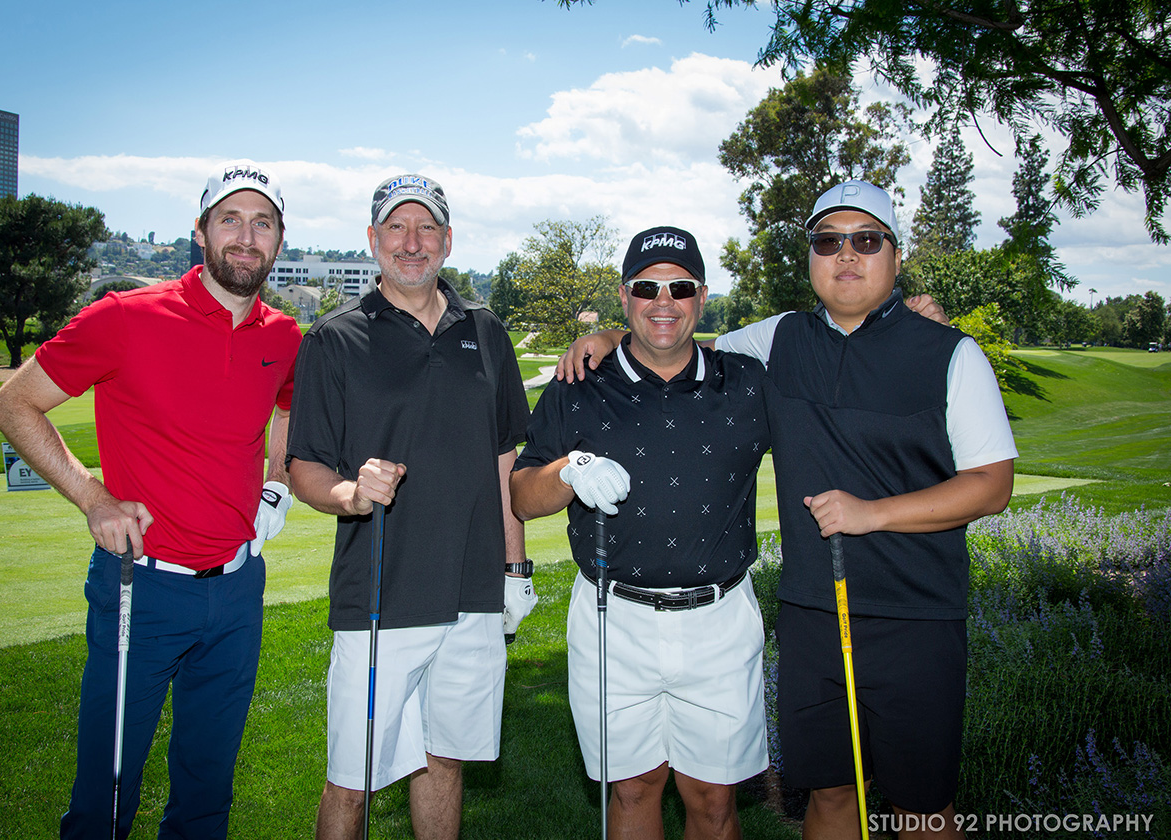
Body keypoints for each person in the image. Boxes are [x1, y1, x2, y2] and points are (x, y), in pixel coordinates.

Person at [557, 181, 1017, 839]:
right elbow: (683, 346)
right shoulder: (781, 339)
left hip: (915, 614)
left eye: (866, 240)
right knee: (828, 793)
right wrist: (608, 332)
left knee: (922, 806)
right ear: (811, 257)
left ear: (894, 253)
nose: (847, 256)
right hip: (813, 613)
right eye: (829, 242)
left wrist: (873, 514)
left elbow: (991, 485)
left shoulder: (951, 354)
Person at [0, 160, 303, 839]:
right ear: (200, 232)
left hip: (239, 589)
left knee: (205, 797)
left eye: (263, 224)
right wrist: (93, 498)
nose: (246, 238)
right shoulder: (125, 318)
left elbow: (288, 408)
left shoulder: (282, 337)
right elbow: (14, 405)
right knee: (105, 800)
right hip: (142, 585)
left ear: (279, 241)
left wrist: (276, 482)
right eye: (230, 220)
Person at [285, 173, 535, 840]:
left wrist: (516, 569)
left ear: (448, 241)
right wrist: (349, 493)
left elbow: (503, 455)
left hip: (473, 593)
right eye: (397, 227)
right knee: (350, 779)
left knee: (443, 758)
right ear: (373, 240)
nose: (412, 242)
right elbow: (304, 462)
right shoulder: (334, 338)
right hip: (380, 594)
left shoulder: (484, 330)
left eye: (427, 228)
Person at [510, 227, 771, 840]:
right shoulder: (579, 384)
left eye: (679, 287)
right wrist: (571, 471)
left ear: (701, 298)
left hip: (720, 620)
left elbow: (830, 342)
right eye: (647, 287)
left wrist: (907, 315)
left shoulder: (748, 382)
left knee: (712, 800)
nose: (664, 301)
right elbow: (522, 495)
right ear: (625, 296)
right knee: (631, 791)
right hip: (612, 619)